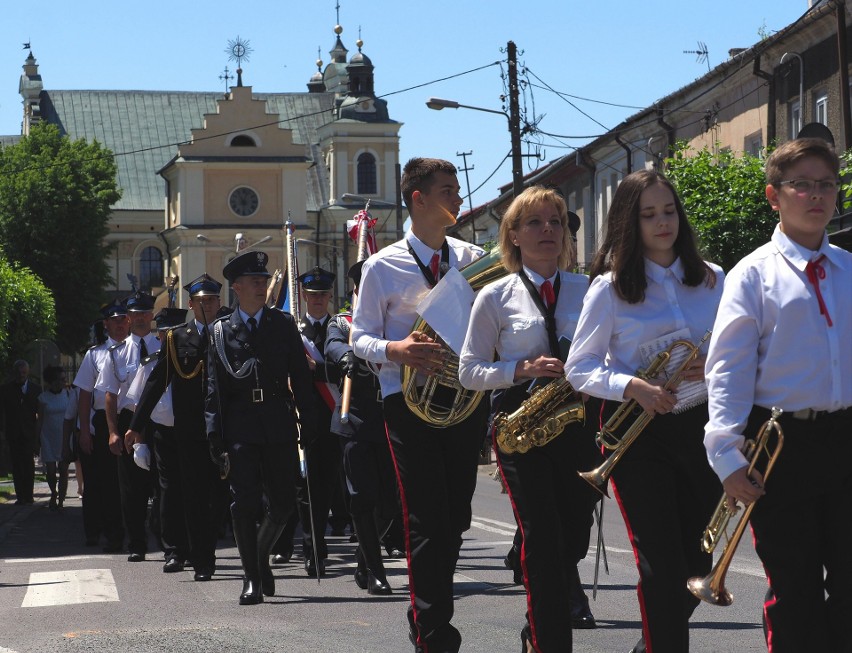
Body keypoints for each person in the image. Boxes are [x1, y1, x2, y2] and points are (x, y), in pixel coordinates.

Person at [565, 169, 724, 653]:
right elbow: (580, 368)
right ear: (629, 224)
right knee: (660, 568)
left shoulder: (714, 278)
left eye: (669, 211)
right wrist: (633, 385)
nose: (662, 223)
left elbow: (746, 348)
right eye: (649, 214)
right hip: (642, 438)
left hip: (704, 429)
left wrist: (713, 360)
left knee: (700, 565)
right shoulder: (609, 289)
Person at [704, 137, 852, 653]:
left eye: (827, 185)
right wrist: (725, 453)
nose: (817, 196)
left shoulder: (850, 270)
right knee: (796, 591)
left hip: (846, 437)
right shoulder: (753, 274)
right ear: (774, 196)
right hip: (781, 446)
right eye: (802, 185)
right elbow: (727, 369)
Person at [352, 157, 489, 653]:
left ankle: (427, 608)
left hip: (466, 400)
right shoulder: (380, 265)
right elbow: (358, 337)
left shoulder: (473, 257)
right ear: (419, 199)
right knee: (427, 517)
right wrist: (397, 349)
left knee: (456, 518)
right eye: (448, 190)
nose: (457, 197)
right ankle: (434, 629)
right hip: (406, 402)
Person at [458, 187, 601, 652]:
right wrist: (520, 369)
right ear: (514, 236)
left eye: (555, 222)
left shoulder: (592, 290)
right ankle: (548, 640)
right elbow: (469, 370)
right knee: (541, 538)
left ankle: (536, 623)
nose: (547, 231)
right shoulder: (495, 297)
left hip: (581, 426)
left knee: (573, 540)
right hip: (522, 429)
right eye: (535, 223)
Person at [205, 249, 316, 605]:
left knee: (284, 504)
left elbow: (300, 378)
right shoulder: (221, 332)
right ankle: (251, 577)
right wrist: (215, 437)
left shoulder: (281, 324)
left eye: (264, 281)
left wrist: (311, 425)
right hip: (240, 429)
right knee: (244, 504)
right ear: (236, 287)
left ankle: (258, 557)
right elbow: (214, 390)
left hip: (278, 424)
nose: (261, 286)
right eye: (254, 281)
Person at [126, 275, 226, 582]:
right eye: (201, 302)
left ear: (218, 303)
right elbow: (156, 382)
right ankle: (202, 561)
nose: (206, 306)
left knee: (221, 499)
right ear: (191, 305)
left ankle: (234, 552)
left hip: (227, 431)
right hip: (191, 433)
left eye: (211, 301)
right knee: (195, 497)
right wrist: (136, 425)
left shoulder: (230, 333)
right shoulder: (177, 339)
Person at [326, 259, 396, 596]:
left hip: (394, 422)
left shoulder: (394, 324)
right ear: (357, 291)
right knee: (362, 498)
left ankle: (363, 555)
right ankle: (377, 572)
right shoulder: (345, 321)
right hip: (355, 421)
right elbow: (332, 343)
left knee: (392, 504)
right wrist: (345, 355)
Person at [95, 291, 159, 562]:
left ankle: (169, 540)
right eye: (135, 314)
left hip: (159, 421)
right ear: (129, 318)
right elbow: (110, 395)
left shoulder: (164, 345)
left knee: (163, 484)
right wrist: (112, 431)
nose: (141, 318)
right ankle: (137, 543)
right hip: (128, 421)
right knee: (131, 489)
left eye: (145, 312)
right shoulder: (117, 353)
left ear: (152, 315)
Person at [294, 265, 343, 577]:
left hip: (338, 418)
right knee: (308, 489)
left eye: (323, 294)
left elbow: (348, 371)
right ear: (304, 296)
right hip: (306, 421)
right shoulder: (294, 334)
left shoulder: (341, 331)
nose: (317, 299)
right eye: (312, 294)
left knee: (335, 487)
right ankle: (314, 550)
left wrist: (317, 370)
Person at [73, 303, 129, 549]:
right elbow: (85, 395)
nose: (120, 324)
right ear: (106, 324)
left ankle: (121, 531)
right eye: (114, 320)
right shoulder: (94, 354)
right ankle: (96, 531)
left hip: (129, 418)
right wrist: (85, 431)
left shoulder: (135, 349)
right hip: (101, 421)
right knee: (98, 483)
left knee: (124, 482)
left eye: (123, 320)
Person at [1, 360, 41, 505]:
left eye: (23, 372)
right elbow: (3, 413)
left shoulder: (35, 389)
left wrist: (38, 436)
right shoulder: (6, 389)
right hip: (13, 433)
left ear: (28, 373)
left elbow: (39, 414)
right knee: (16, 465)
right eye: (19, 373)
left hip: (29, 433)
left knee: (29, 465)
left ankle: (29, 495)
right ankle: (20, 496)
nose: (21, 375)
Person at [36, 366, 73, 511]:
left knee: (63, 470)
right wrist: (36, 438)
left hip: (64, 437)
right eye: (61, 379)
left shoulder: (68, 394)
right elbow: (39, 419)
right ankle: (53, 492)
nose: (64, 382)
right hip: (48, 437)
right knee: (51, 471)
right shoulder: (43, 398)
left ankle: (61, 501)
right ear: (52, 381)